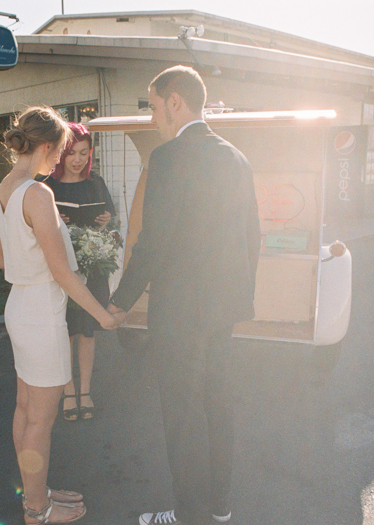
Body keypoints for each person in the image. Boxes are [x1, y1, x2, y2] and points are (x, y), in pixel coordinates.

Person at [108, 66, 261, 525]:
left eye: (153, 106)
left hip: (179, 313)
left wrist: (120, 300)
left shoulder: (169, 158)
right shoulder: (236, 156)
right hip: (222, 310)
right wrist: (239, 295)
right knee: (218, 408)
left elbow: (151, 241)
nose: (153, 117)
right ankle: (219, 507)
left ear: (175, 101)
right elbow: (252, 236)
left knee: (182, 416)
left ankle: (187, 514)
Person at [0, 106, 120, 524]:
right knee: (40, 422)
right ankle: (37, 510)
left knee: (25, 408)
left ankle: (36, 493)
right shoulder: (38, 193)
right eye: (61, 150)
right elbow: (62, 273)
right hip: (43, 314)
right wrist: (104, 315)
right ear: (47, 146)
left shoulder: (6, 187)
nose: (61, 159)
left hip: (19, 306)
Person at [40, 122, 116, 421]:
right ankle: (68, 392)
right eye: (72, 153)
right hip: (62, 270)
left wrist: (106, 222)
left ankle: (86, 391)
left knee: (87, 331)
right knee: (66, 332)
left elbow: (112, 227)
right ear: (61, 154)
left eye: (84, 153)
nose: (78, 160)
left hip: (93, 269)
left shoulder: (96, 182)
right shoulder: (48, 185)